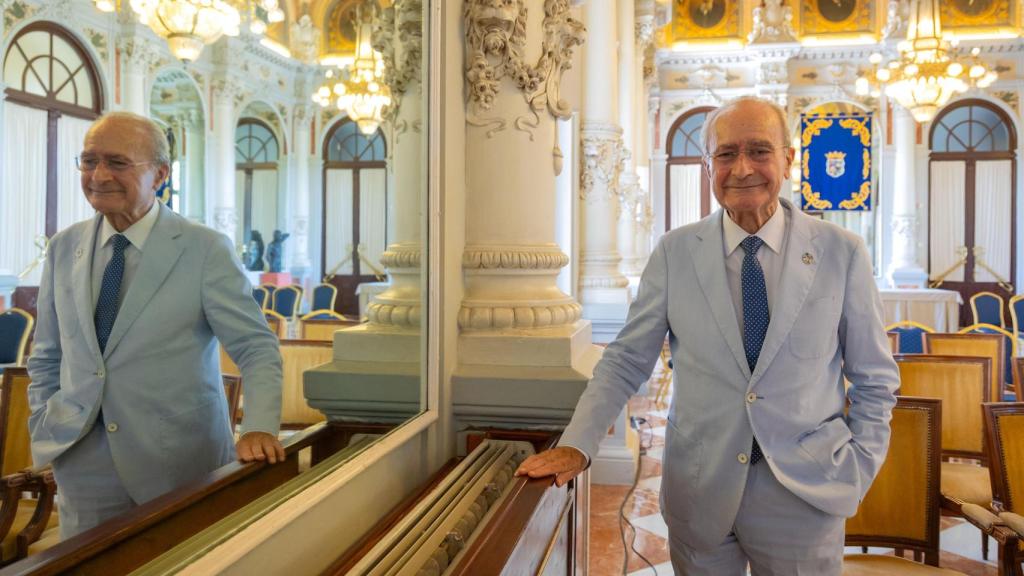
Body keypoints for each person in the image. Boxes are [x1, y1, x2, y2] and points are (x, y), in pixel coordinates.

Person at [516, 96, 899, 575]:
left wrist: (859, 467)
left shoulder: (842, 252)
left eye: (759, 151)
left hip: (806, 492)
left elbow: (875, 379)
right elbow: (625, 360)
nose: (742, 168)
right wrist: (579, 443)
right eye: (725, 154)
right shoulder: (676, 253)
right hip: (700, 490)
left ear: (788, 159)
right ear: (707, 165)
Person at [27, 112, 286, 540]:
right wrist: (44, 422)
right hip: (83, 465)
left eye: (117, 162)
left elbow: (257, 348)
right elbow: (48, 355)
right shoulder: (63, 247)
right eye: (89, 161)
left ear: (160, 174)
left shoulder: (204, 248)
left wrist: (259, 427)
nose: (98, 175)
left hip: (181, 463)